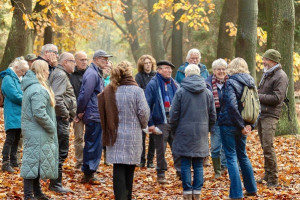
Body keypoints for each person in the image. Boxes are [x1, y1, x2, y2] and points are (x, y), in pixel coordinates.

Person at [98, 61, 150, 200]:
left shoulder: (110, 90)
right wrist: (143, 125)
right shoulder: (137, 91)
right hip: (133, 135)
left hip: (114, 134)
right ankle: (128, 196)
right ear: (130, 73)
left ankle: (120, 197)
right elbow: (144, 113)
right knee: (129, 168)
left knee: (118, 167)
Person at [170, 64, 216, 200]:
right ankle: (197, 191)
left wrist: (174, 129)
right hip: (201, 131)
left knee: (185, 162)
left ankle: (187, 191)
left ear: (185, 75)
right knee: (198, 163)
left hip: (184, 131)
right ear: (200, 75)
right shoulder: (207, 92)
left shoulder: (180, 91)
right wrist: (208, 128)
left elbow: (174, 114)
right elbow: (212, 114)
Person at [218, 58, 257, 199]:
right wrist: (250, 125)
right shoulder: (251, 82)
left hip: (229, 124)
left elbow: (232, 106)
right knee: (242, 155)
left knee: (231, 157)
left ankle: (236, 194)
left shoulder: (231, 82)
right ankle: (251, 188)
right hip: (244, 125)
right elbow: (256, 106)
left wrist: (241, 126)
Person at [20, 60, 58, 200]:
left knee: (35, 162)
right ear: (42, 71)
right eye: (47, 69)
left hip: (33, 130)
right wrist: (51, 126)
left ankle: (37, 193)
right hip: (38, 131)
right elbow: (39, 112)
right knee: (32, 162)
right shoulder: (38, 89)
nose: (48, 72)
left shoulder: (32, 87)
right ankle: (29, 195)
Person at [77, 50, 112, 184]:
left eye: (107, 60)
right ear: (96, 59)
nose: (107, 62)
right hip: (93, 114)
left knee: (95, 144)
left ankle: (89, 172)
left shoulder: (96, 72)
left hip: (95, 113)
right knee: (93, 144)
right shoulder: (92, 73)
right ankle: (89, 174)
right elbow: (85, 94)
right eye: (104, 59)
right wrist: (80, 111)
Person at [145, 60, 181, 184]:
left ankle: (180, 172)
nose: (169, 70)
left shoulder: (175, 84)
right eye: (166, 68)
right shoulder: (153, 84)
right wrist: (150, 124)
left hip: (174, 121)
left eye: (170, 69)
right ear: (159, 70)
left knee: (178, 147)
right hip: (160, 120)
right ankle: (161, 174)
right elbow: (147, 105)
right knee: (161, 149)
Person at [257, 49, 288, 188]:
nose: (263, 62)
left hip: (271, 115)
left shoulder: (280, 76)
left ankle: (273, 180)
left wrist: (257, 96)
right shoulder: (267, 74)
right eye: (264, 59)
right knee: (265, 147)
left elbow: (277, 98)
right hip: (262, 113)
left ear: (273, 61)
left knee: (268, 147)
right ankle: (267, 175)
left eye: (266, 60)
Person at [48, 52, 77, 193]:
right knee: (60, 152)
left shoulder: (60, 73)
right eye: (73, 61)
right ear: (65, 62)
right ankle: (55, 184)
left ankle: (55, 182)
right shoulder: (60, 75)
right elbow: (57, 98)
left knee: (59, 152)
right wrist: (65, 114)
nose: (75, 64)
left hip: (60, 119)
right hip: (60, 120)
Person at [0, 57, 29, 173]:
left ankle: (14, 161)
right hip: (12, 112)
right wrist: (27, 100)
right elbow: (14, 95)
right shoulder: (8, 79)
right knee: (10, 138)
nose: (23, 74)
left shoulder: (18, 78)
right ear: (16, 68)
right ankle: (5, 162)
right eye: (22, 71)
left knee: (17, 138)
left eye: (24, 72)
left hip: (19, 112)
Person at [205, 58, 228, 178]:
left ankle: (224, 167)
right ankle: (217, 171)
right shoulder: (207, 83)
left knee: (226, 146)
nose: (221, 71)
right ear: (214, 71)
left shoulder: (230, 82)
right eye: (219, 69)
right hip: (214, 120)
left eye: (223, 69)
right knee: (215, 147)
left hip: (228, 119)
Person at [135, 55, 157, 168]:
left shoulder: (156, 76)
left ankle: (150, 161)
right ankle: (141, 159)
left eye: (149, 63)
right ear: (142, 65)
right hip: (142, 108)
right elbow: (138, 90)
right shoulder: (138, 76)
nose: (148, 65)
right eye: (146, 63)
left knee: (153, 137)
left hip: (154, 109)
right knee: (142, 136)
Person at [70, 51, 88, 169]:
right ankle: (80, 161)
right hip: (76, 113)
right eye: (82, 60)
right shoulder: (71, 75)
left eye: (86, 59)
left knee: (90, 137)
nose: (84, 62)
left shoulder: (90, 73)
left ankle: (88, 160)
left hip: (90, 111)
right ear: (75, 61)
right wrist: (75, 112)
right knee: (79, 137)